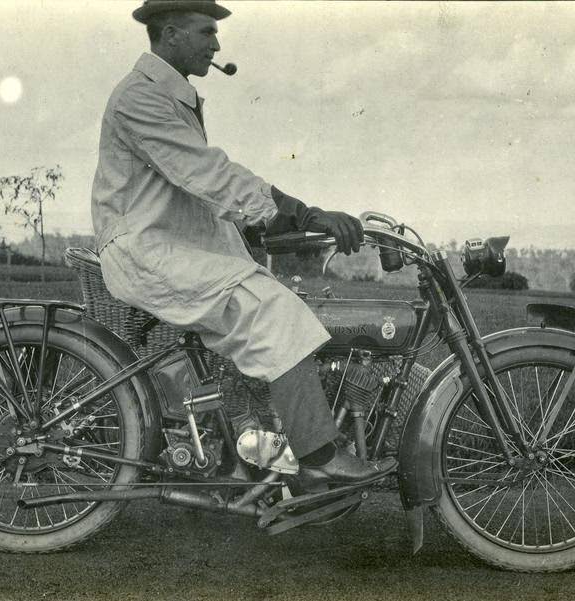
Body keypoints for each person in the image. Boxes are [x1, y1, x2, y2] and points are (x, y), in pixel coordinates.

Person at [91, 0, 396, 483]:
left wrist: (285, 224)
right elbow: (209, 174)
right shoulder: (141, 98)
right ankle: (319, 459)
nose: (216, 44)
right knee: (276, 314)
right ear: (170, 35)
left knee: (271, 318)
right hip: (146, 252)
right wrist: (301, 212)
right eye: (206, 32)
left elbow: (201, 188)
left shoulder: (171, 96)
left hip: (175, 248)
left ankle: (248, 461)